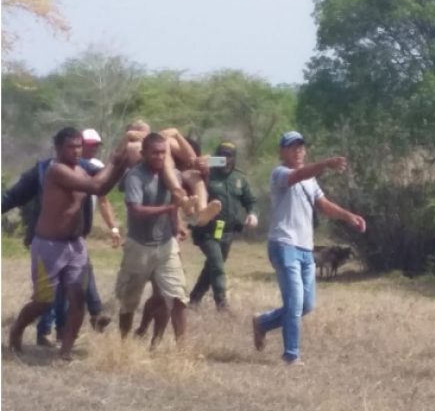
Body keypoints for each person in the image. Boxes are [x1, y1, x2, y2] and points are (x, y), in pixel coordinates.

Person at [6, 127, 127, 359]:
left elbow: (104, 187)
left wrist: (120, 166)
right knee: (42, 301)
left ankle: (66, 350)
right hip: (49, 246)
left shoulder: (81, 170)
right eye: (71, 147)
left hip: (76, 245)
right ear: (58, 148)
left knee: (77, 299)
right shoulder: (56, 171)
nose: (77, 151)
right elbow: (98, 186)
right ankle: (17, 331)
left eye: (79, 146)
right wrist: (115, 162)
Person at [251, 131, 366, 365]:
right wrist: (325, 164)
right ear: (282, 151)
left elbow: (322, 204)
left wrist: (348, 216)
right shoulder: (280, 173)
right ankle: (291, 355)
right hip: (283, 244)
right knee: (294, 302)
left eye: (301, 146)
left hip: (305, 247)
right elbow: (298, 175)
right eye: (292, 146)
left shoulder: (311, 180)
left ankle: (263, 322)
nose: (298, 150)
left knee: (306, 305)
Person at [113, 132, 193, 348]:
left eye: (163, 152)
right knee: (129, 301)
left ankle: (181, 349)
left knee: (177, 297)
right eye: (154, 152)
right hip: (139, 246)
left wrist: (178, 225)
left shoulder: (172, 175)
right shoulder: (135, 176)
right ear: (143, 153)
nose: (159, 156)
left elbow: (176, 203)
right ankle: (124, 346)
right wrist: (170, 208)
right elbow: (136, 210)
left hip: (166, 246)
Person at [188, 141, 258, 310]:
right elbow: (194, 164)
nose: (226, 159)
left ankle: (194, 300)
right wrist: (208, 161)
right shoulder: (206, 174)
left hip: (227, 232)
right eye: (222, 155)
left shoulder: (239, 178)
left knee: (212, 267)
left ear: (234, 158)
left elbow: (250, 201)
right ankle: (222, 302)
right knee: (217, 264)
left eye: (229, 156)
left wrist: (253, 214)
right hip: (207, 231)